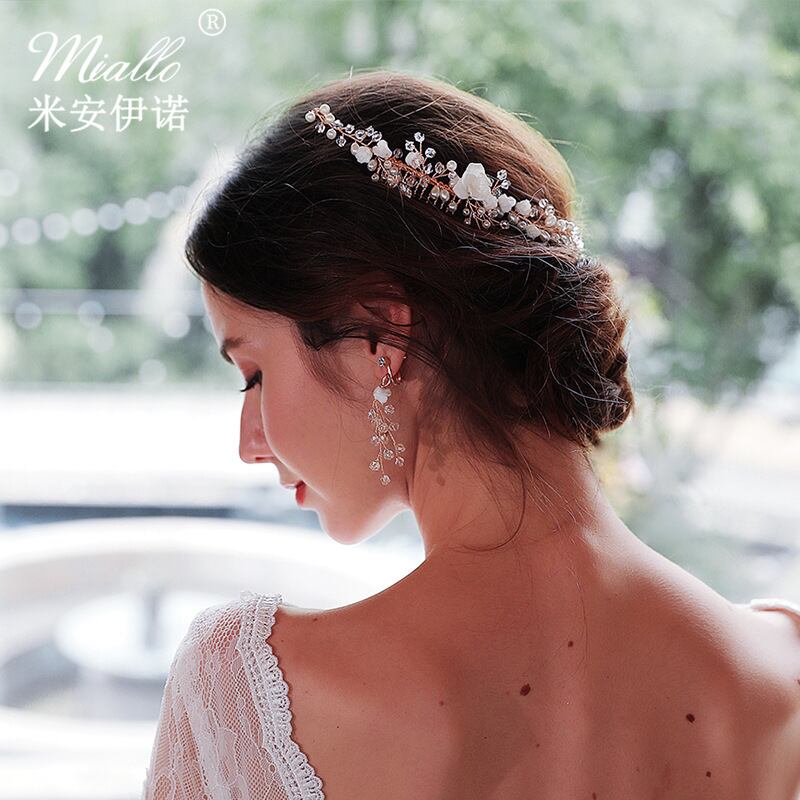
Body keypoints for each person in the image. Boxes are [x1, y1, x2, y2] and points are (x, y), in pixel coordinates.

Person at [141, 69, 800, 800]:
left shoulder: (246, 699)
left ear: (377, 336)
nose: (249, 442)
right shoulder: (782, 676)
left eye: (254, 374)